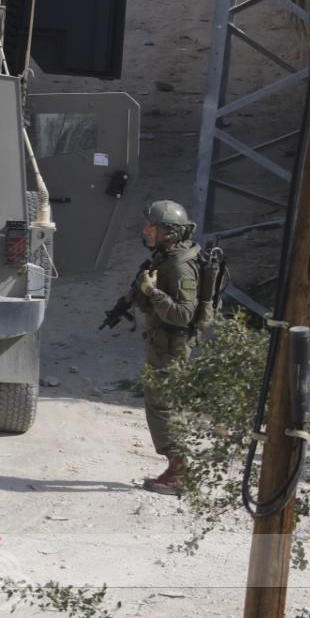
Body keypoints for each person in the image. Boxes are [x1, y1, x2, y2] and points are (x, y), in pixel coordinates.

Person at [131, 199, 202, 496]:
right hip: (162, 344)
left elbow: (184, 314)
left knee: (163, 407)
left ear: (169, 232)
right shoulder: (166, 257)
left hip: (172, 348)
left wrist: (152, 292)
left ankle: (179, 471)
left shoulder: (181, 266)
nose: (147, 230)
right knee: (163, 404)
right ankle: (177, 467)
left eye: (153, 226)